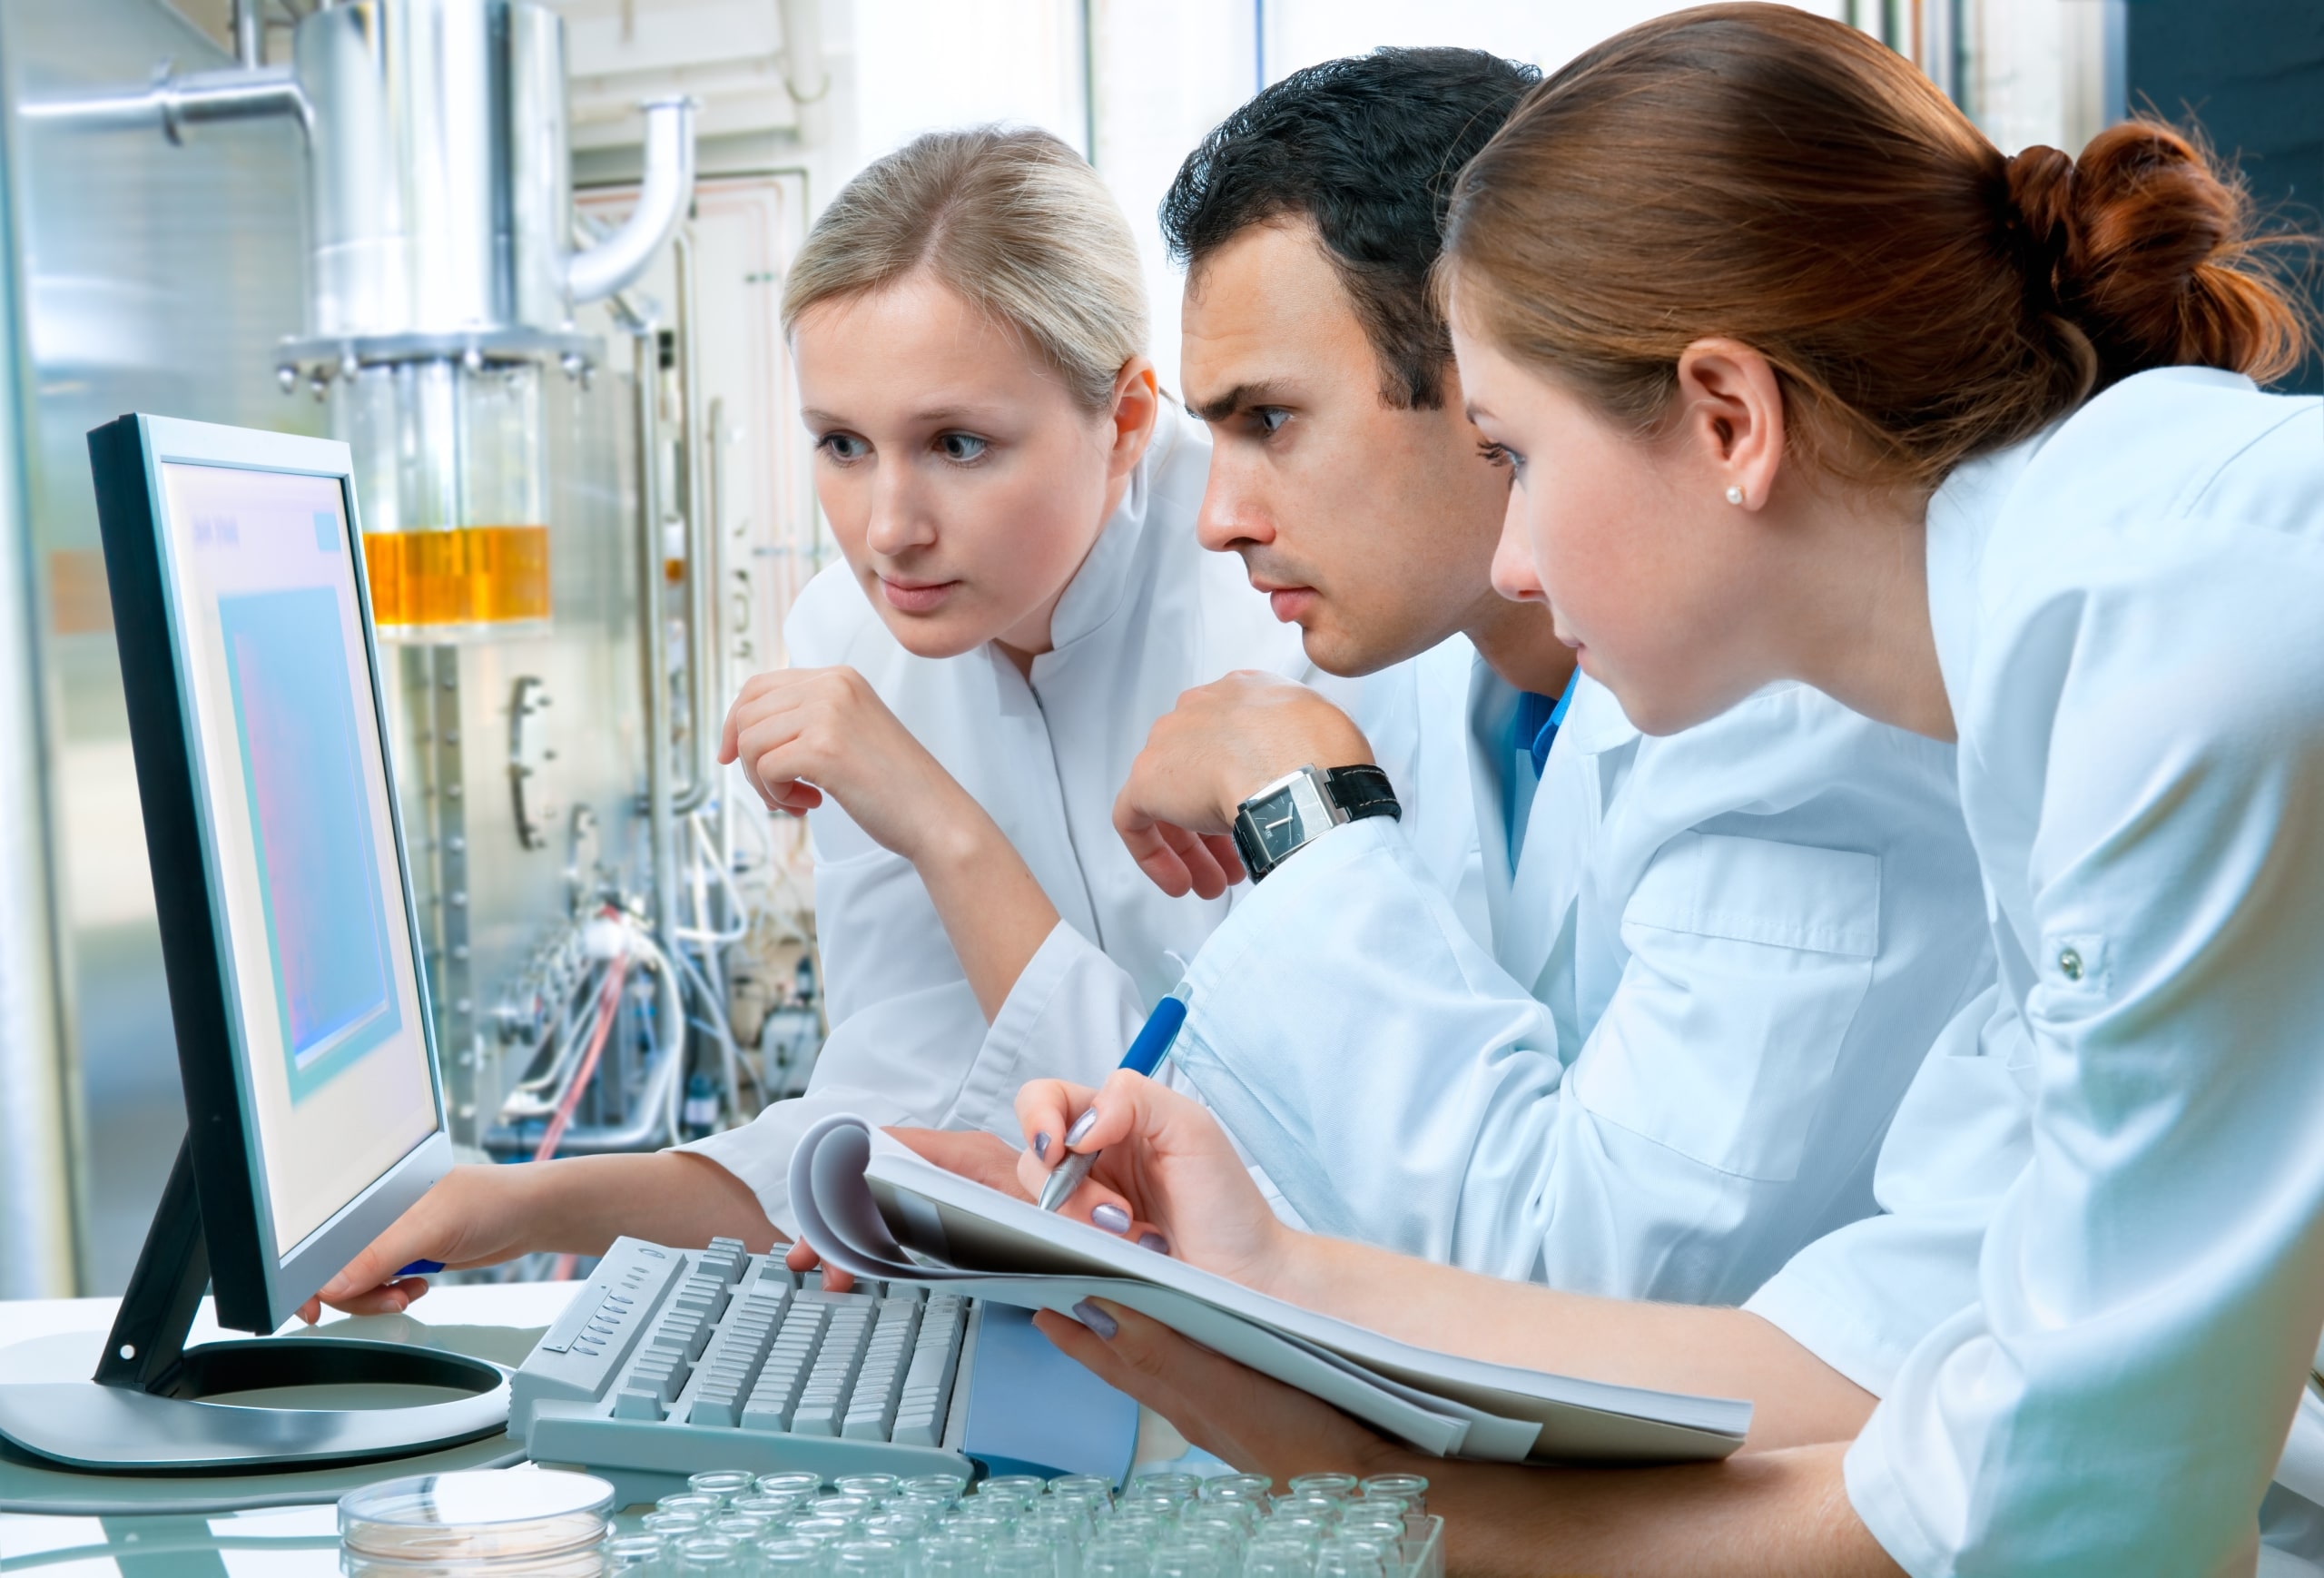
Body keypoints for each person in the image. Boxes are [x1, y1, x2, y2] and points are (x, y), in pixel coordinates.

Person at [1015, 7, 2324, 1574]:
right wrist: (1271, 1269)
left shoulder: (2155, 639)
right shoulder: (2052, 674)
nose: (1513, 560)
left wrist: (1400, 1498)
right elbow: (1881, 1348)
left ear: (1728, 421)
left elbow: (2084, 1503)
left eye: (1515, 454)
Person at [298, 126, 1307, 1316]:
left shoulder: (1281, 613)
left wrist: (940, 824)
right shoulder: (849, 630)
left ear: (1127, 419)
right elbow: (890, 1119)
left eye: (958, 444)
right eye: (842, 444)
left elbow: (1242, 1181)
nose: (888, 529)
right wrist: (518, 1204)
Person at [1118, 47, 1990, 1305]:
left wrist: (1309, 822)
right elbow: (1383, 1173)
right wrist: (1134, 1197)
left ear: (1489, 362)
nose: (1218, 518)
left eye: (1270, 420)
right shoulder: (1419, 675)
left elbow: (1586, 1280)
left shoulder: (1786, 703)